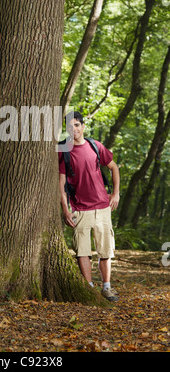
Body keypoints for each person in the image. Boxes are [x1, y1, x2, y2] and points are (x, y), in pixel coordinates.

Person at [58, 111, 120, 301]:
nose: (74, 129)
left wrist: (116, 193)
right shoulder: (64, 151)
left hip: (102, 206)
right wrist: (65, 209)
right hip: (79, 208)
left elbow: (114, 167)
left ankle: (106, 287)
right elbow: (60, 183)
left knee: (105, 250)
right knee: (82, 251)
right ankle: (89, 288)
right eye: (70, 126)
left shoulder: (95, 146)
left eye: (77, 125)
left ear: (83, 126)